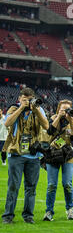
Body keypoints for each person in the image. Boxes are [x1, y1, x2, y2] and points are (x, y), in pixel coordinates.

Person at [2, 87, 49, 224]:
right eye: (24, 100)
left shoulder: (38, 109)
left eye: (29, 100)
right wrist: (21, 108)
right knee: (13, 186)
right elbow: (7, 123)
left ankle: (28, 216)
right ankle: (8, 216)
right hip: (16, 153)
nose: (27, 102)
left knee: (31, 187)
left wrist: (35, 110)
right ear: (19, 99)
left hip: (33, 155)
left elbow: (46, 126)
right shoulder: (13, 108)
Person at [42, 100, 73, 221]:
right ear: (58, 109)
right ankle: (49, 211)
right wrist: (58, 116)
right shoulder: (52, 119)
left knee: (67, 184)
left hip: (68, 155)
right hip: (53, 155)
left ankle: (70, 210)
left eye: (67, 109)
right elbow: (50, 132)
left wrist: (71, 121)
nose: (65, 112)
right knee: (51, 185)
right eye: (63, 109)